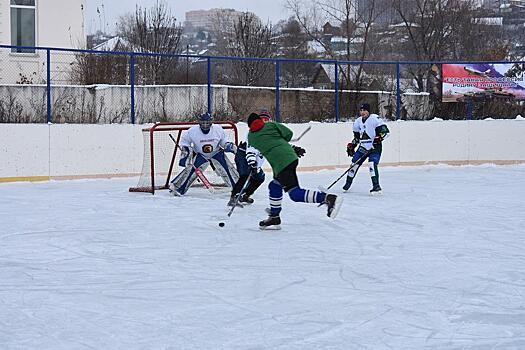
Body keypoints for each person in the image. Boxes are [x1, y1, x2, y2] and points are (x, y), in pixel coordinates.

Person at [247, 113, 342, 230]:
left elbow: (256, 148)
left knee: (295, 194)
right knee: (274, 186)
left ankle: (328, 198)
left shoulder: (251, 136)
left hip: (281, 164)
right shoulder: (271, 125)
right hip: (289, 157)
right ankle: (275, 217)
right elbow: (288, 134)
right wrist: (280, 139)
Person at [169, 112, 239, 196]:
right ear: (199, 122)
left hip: (216, 153)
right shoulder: (192, 131)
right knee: (191, 171)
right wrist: (186, 150)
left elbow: (223, 140)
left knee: (227, 170)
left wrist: (228, 145)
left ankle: (238, 188)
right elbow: (184, 141)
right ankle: (178, 188)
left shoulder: (217, 129)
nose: (205, 125)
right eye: (203, 123)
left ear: (211, 122)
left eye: (207, 123)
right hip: (200, 154)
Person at [343, 103, 390, 194]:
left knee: (372, 164)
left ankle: (376, 186)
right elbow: (357, 138)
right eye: (361, 110)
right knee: (354, 164)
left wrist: (379, 138)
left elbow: (386, 132)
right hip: (363, 147)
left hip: (375, 148)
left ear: (368, 111)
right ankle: (348, 183)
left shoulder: (375, 119)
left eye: (364, 110)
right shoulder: (357, 122)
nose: (362, 112)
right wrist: (353, 144)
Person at [227, 111, 270, 207]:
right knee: (245, 175)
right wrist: (252, 163)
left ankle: (245, 195)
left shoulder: (269, 133)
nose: (264, 121)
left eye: (266, 119)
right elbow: (251, 150)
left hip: (254, 159)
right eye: (262, 119)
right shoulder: (253, 131)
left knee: (259, 177)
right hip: (243, 155)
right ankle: (233, 197)